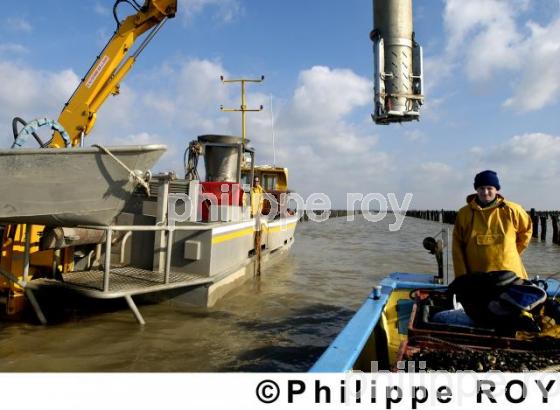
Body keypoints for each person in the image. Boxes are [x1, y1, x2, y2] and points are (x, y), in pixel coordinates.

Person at [452, 170, 532, 280]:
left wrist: (511, 252)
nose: (485, 192)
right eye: (481, 188)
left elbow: (526, 232)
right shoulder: (464, 214)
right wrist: (461, 278)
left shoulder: (513, 210)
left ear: (496, 189)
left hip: (511, 275)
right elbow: (457, 248)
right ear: (476, 189)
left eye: (489, 188)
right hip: (476, 277)